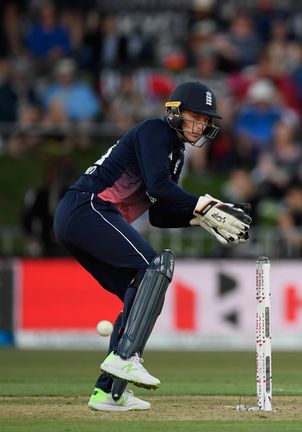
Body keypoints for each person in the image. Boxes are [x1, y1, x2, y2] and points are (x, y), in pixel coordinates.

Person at [53, 81, 252, 411]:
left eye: (205, 121)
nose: (200, 125)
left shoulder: (176, 153)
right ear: (174, 112)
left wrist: (198, 218)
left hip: (86, 216)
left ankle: (108, 393)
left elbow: (158, 212)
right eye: (194, 116)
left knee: (138, 288)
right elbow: (159, 186)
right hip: (86, 207)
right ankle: (126, 356)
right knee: (155, 267)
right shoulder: (154, 132)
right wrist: (204, 205)